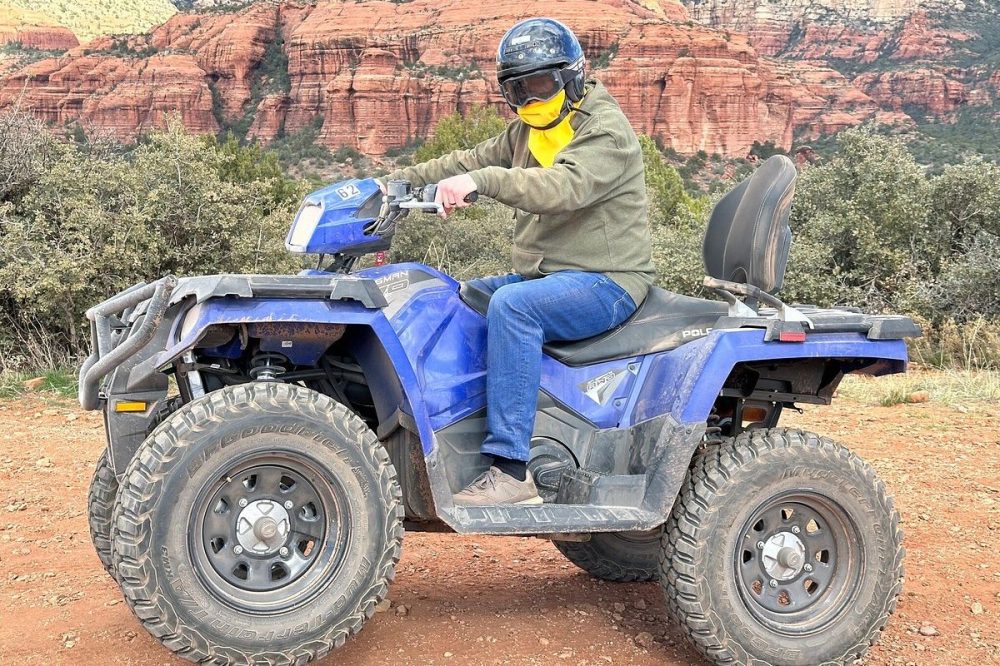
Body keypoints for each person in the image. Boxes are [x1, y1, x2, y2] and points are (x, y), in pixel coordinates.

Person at [383, 17, 655, 506]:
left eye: (541, 84)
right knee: (456, 297)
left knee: (514, 308)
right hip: (551, 275)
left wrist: (484, 182)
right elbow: (465, 161)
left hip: (608, 281)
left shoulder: (605, 131)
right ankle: (453, 430)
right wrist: (388, 185)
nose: (530, 99)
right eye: (518, 89)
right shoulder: (527, 131)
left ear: (571, 77)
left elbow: (561, 188)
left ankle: (510, 470)